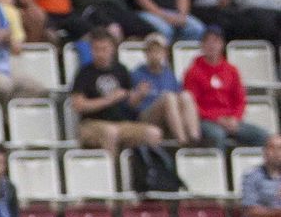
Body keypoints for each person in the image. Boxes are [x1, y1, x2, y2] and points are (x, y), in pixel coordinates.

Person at [69, 28, 177, 189]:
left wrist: (139, 94)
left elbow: (130, 102)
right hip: (92, 124)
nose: (100, 53)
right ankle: (115, 185)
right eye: (96, 49)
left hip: (121, 123)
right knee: (110, 133)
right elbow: (78, 105)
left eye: (104, 49)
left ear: (112, 49)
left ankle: (151, 180)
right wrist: (107, 100)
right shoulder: (85, 73)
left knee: (153, 133)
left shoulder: (121, 70)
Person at [183, 25, 271, 147]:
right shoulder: (193, 72)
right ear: (202, 45)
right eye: (207, 41)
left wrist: (234, 118)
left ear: (222, 44)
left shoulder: (231, 70)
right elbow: (192, 105)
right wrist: (216, 119)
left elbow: (240, 100)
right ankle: (219, 165)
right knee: (217, 135)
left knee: (264, 136)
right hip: (206, 120)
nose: (212, 45)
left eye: (216, 41)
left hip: (231, 120)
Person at [129, 32, 200, 142]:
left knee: (186, 95)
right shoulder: (137, 73)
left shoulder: (169, 74)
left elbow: (179, 95)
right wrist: (139, 94)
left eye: (158, 51)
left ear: (164, 53)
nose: (155, 54)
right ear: (146, 54)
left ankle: (195, 137)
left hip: (169, 115)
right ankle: (182, 140)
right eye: (151, 51)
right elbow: (130, 104)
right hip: (146, 116)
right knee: (168, 98)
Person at [240, 133, 281, 217]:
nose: (276, 153)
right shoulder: (252, 176)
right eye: (272, 148)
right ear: (265, 151)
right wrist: (278, 212)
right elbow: (250, 212)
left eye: (280, 148)